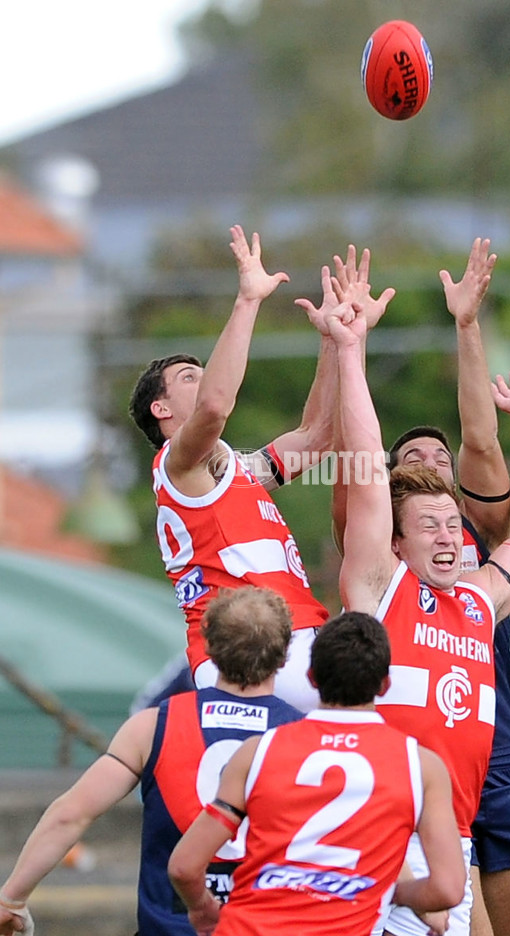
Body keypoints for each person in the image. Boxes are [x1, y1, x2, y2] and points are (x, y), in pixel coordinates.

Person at [332, 237, 510, 936]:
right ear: (394, 542)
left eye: (451, 521)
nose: (448, 533)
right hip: (388, 826)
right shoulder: (383, 586)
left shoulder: (475, 602)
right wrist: (348, 348)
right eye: (427, 523)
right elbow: (367, 466)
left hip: (454, 826)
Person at [0, 586, 303, 936]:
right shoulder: (307, 737)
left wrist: (12, 899)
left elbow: (71, 814)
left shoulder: (154, 726)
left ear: (207, 647)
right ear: (284, 655)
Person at [128, 224, 339, 712]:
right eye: (188, 376)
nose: (203, 379)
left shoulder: (235, 469)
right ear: (161, 410)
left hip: (294, 640)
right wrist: (248, 300)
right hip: (249, 650)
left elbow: (319, 436)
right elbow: (214, 406)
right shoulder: (179, 464)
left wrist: (335, 340)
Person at [167, 610, 466, 936]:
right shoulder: (420, 765)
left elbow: (184, 866)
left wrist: (202, 908)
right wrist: (388, 891)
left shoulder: (258, 751)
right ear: (385, 685)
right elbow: (448, 889)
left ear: (311, 677)